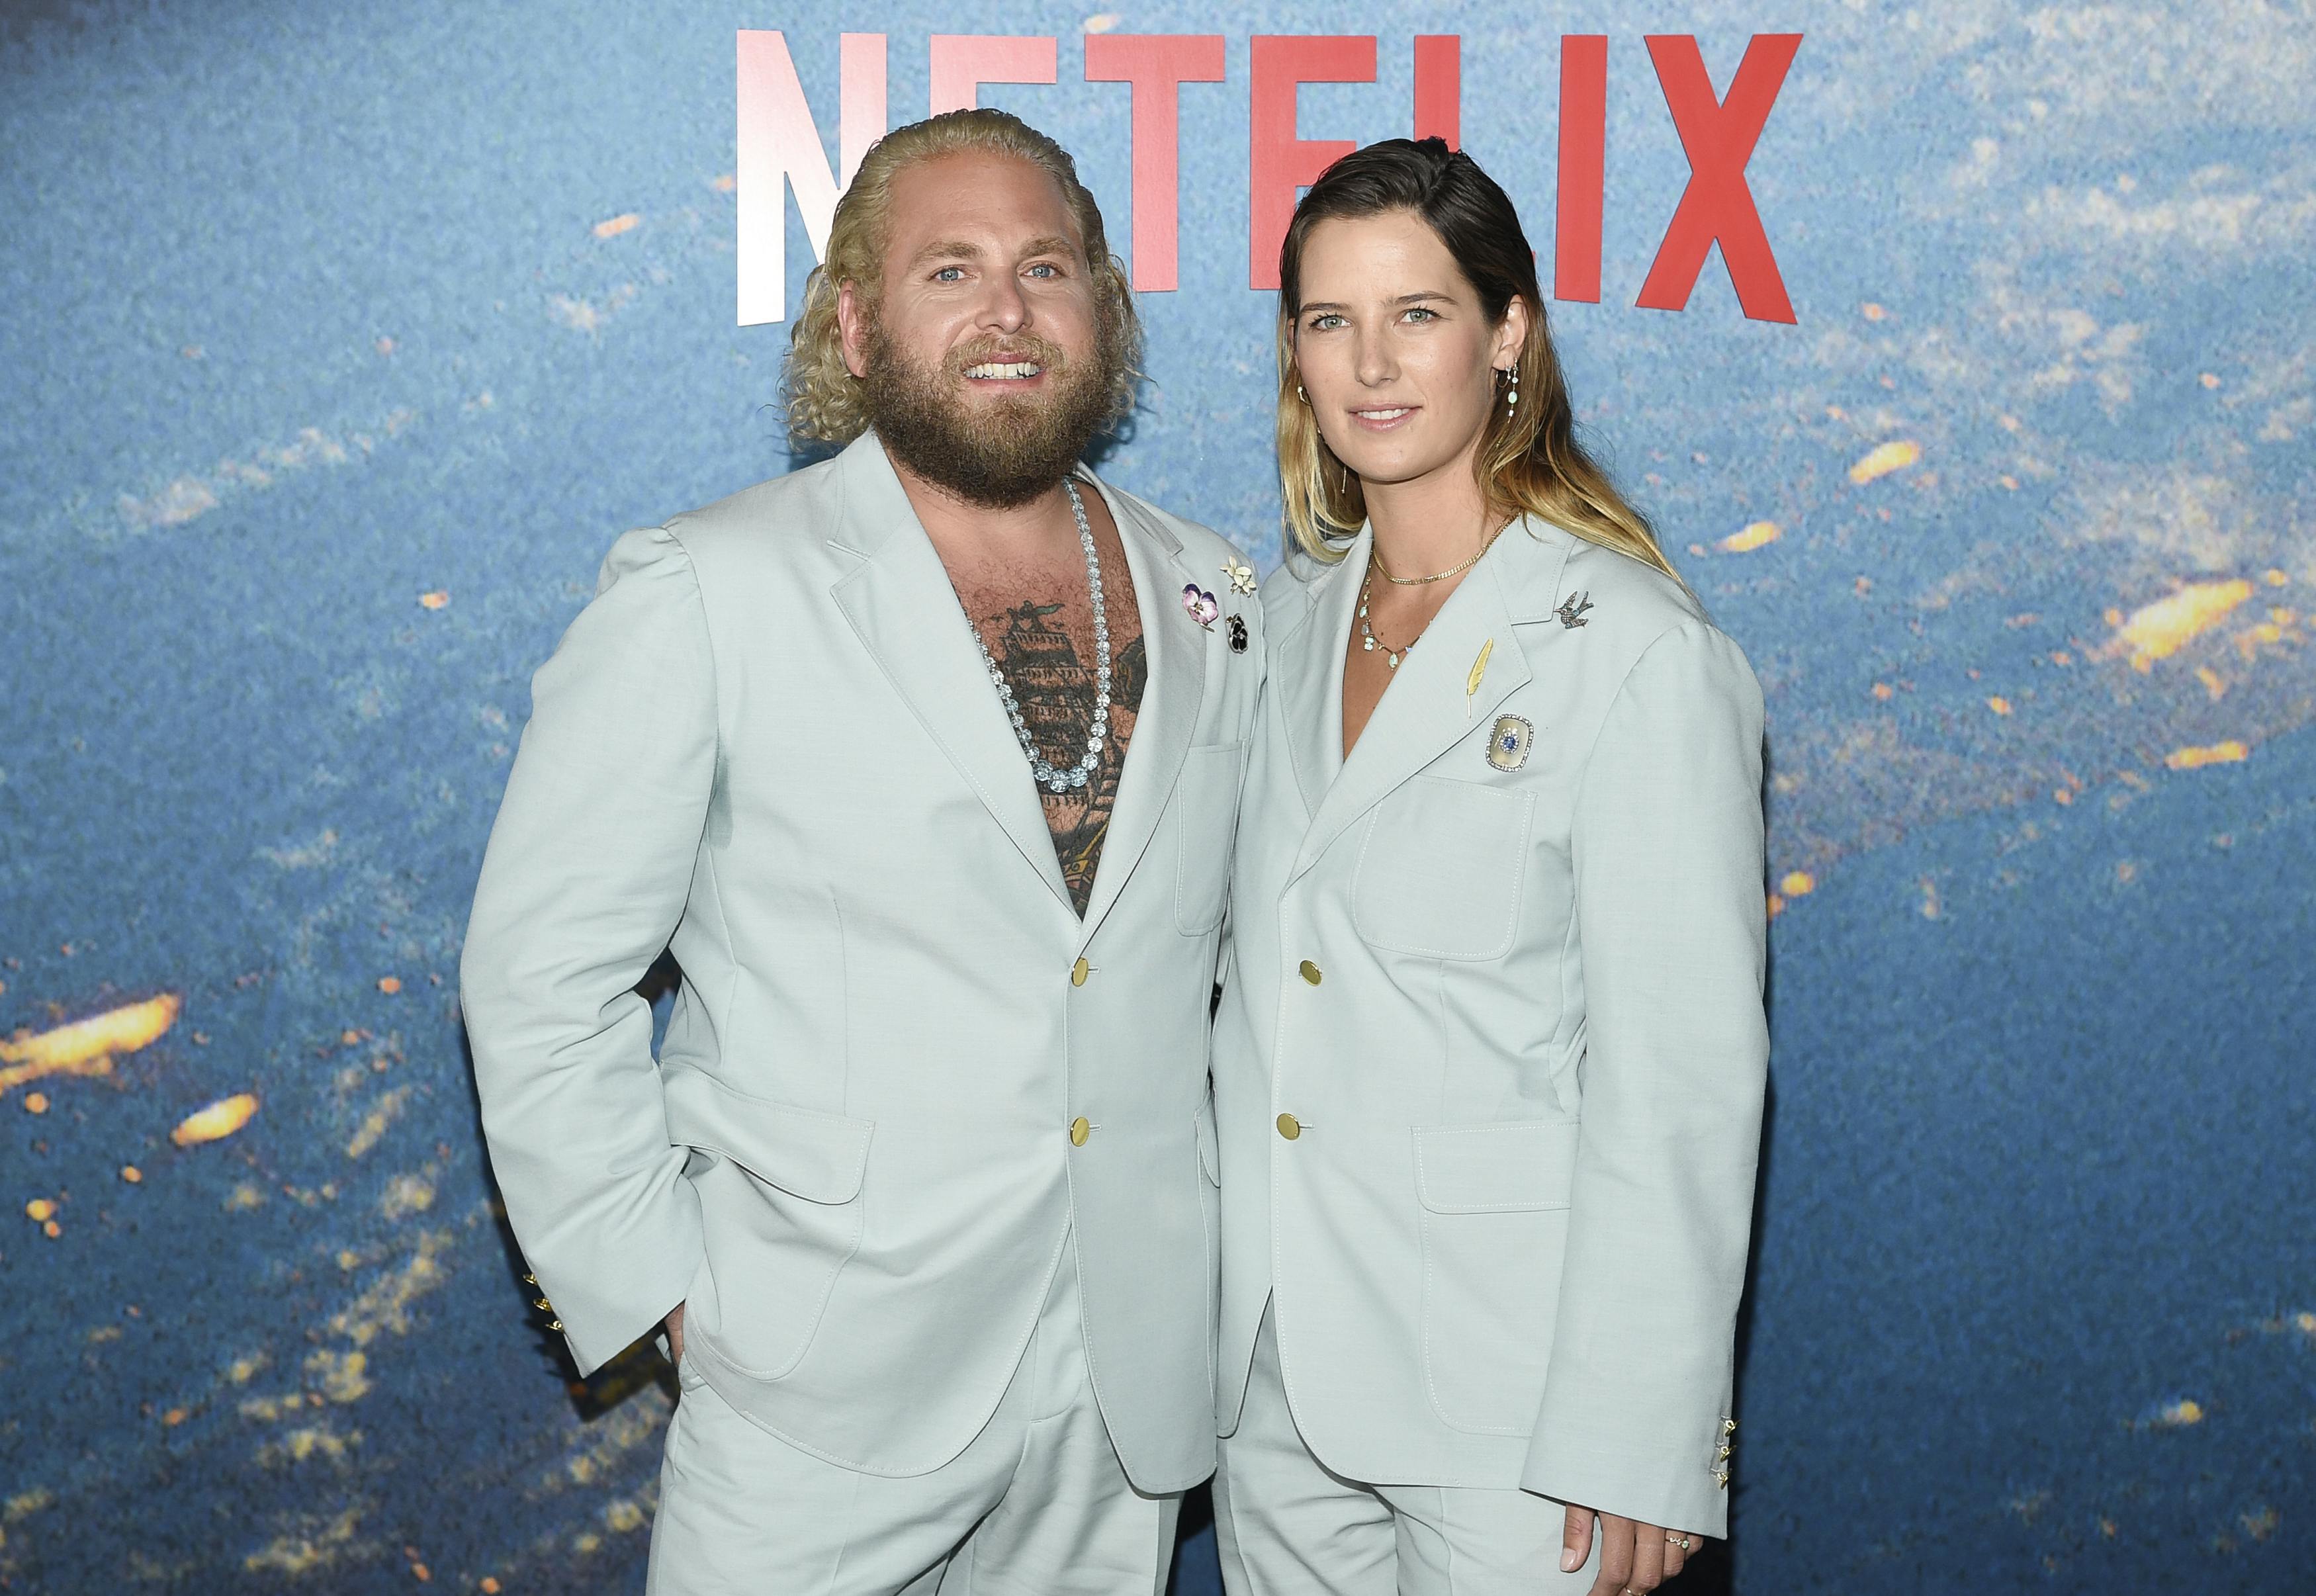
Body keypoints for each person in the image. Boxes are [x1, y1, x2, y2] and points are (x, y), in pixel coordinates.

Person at [460, 108, 1262, 1595]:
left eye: (1046, 267)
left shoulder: (1212, 587)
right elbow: (537, 972)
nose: (1008, 311)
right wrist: (668, 1297)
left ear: (1105, 310)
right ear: (854, 322)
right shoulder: (708, 588)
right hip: (816, 1388)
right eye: (948, 272)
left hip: (1123, 1386)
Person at [1209, 138, 1768, 1596]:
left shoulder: (1637, 653)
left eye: (1420, 313)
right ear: (1293, 353)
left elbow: (1682, 1073)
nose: (1372, 363)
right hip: (1275, 1384)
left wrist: (1643, 1425)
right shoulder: (1274, 633)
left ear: (1507, 332)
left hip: (1518, 1406)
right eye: (1330, 321)